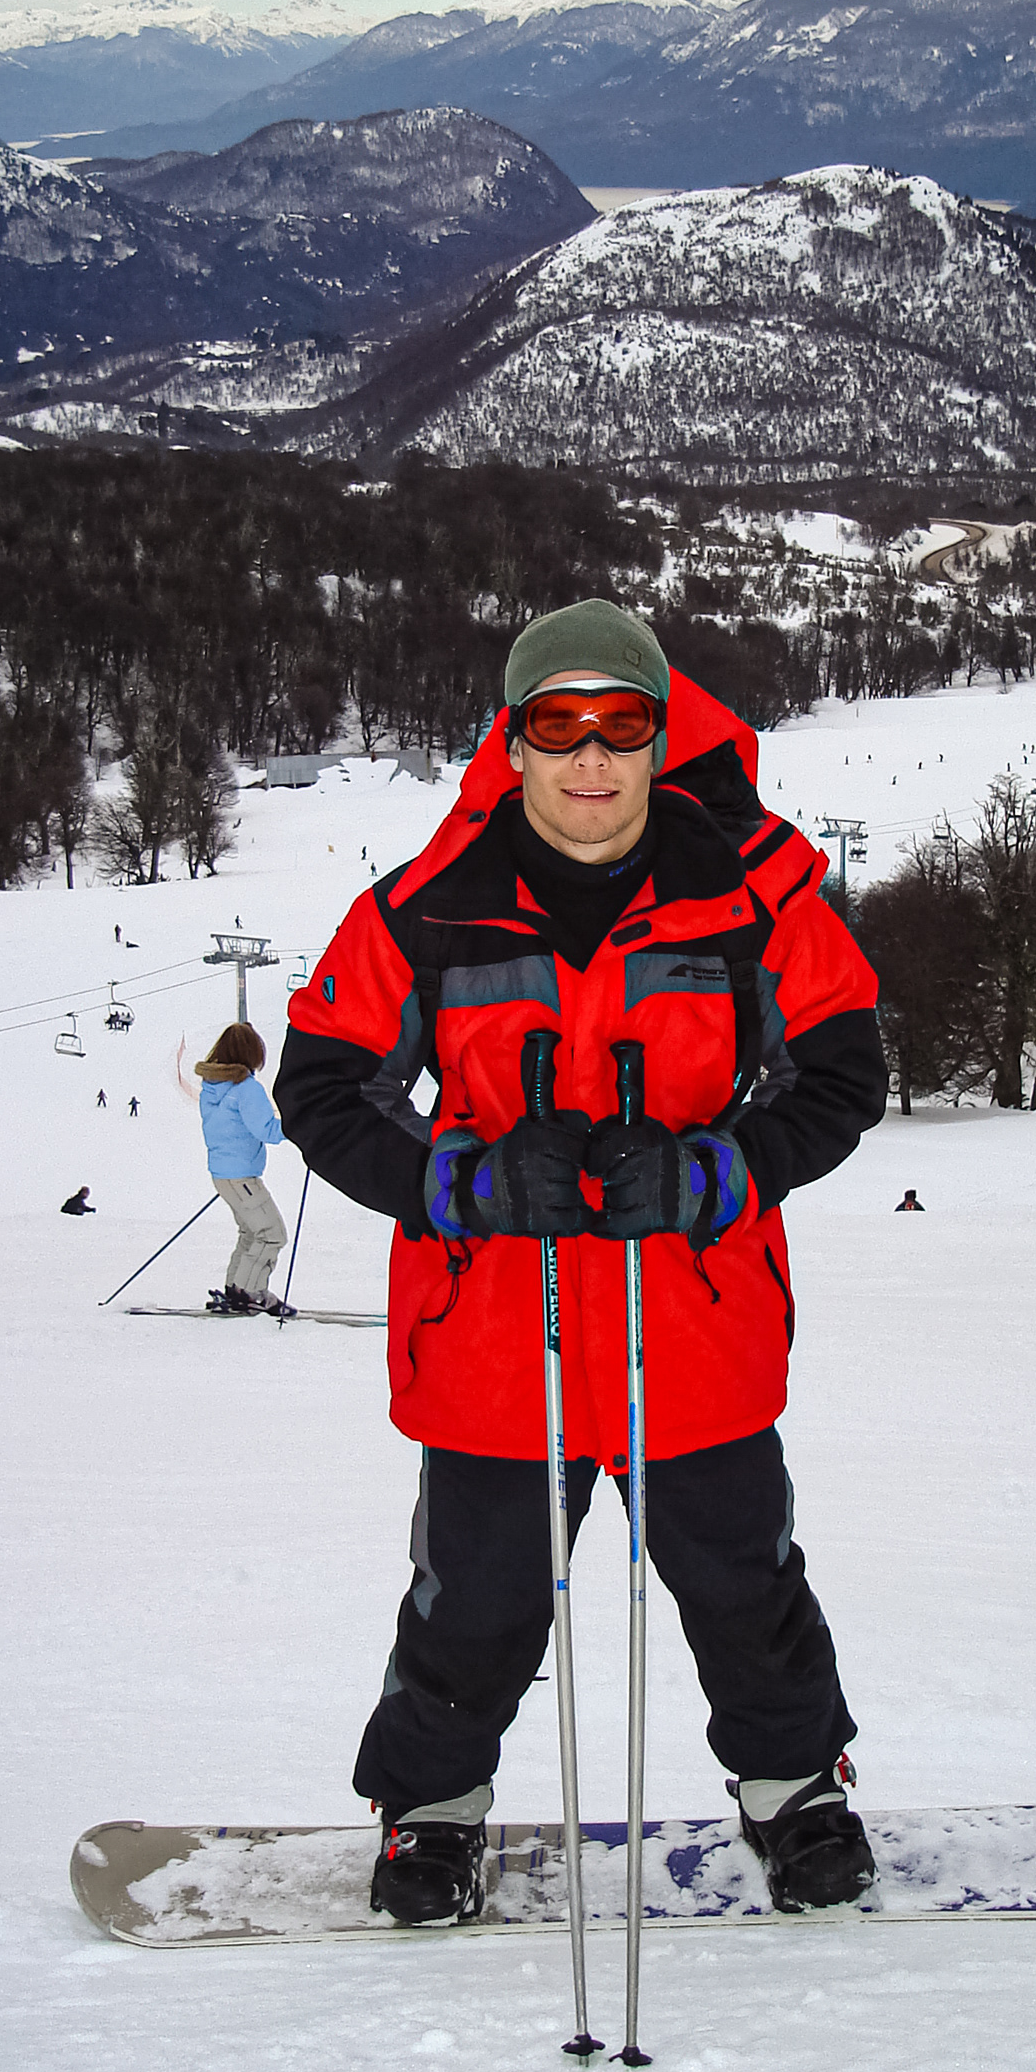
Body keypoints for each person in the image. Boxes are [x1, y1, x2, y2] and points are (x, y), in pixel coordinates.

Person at [277, 599, 888, 1928]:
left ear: (661, 738)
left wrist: (714, 1171)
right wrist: (466, 1181)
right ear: (513, 743)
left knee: (742, 1585)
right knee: (477, 1602)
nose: (592, 757)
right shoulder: (426, 908)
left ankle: (796, 1791)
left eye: (622, 723)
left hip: (696, 1324)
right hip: (496, 1339)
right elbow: (323, 1087)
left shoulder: (755, 895)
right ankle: (431, 1811)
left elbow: (842, 1073)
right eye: (559, 725)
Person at [194, 1024, 293, 1318]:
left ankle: (236, 1289)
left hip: (223, 1174)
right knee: (272, 1234)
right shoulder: (246, 1089)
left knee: (251, 1232)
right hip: (242, 1177)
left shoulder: (212, 1086)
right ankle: (250, 1293)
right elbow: (267, 1130)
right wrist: (300, 1126)